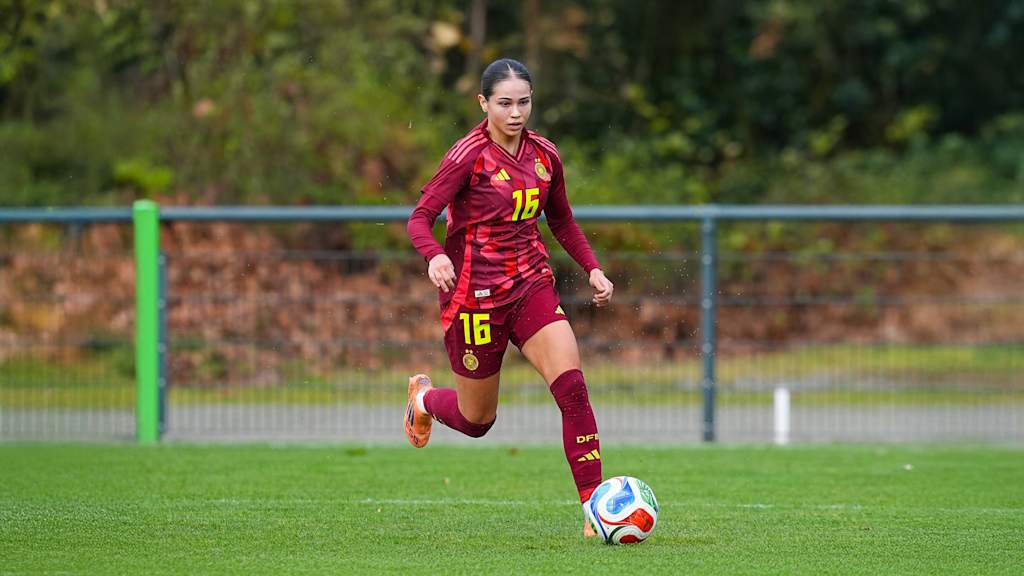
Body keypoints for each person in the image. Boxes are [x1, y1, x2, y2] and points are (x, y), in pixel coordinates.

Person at [404, 58, 614, 537]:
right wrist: (435, 255)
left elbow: (560, 220)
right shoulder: (467, 156)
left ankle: (594, 509)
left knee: (573, 390)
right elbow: (420, 218)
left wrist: (593, 268)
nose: (516, 112)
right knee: (478, 420)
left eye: (524, 102)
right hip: (473, 299)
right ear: (484, 103)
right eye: (505, 103)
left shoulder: (545, 156)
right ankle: (424, 399)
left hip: (531, 286)